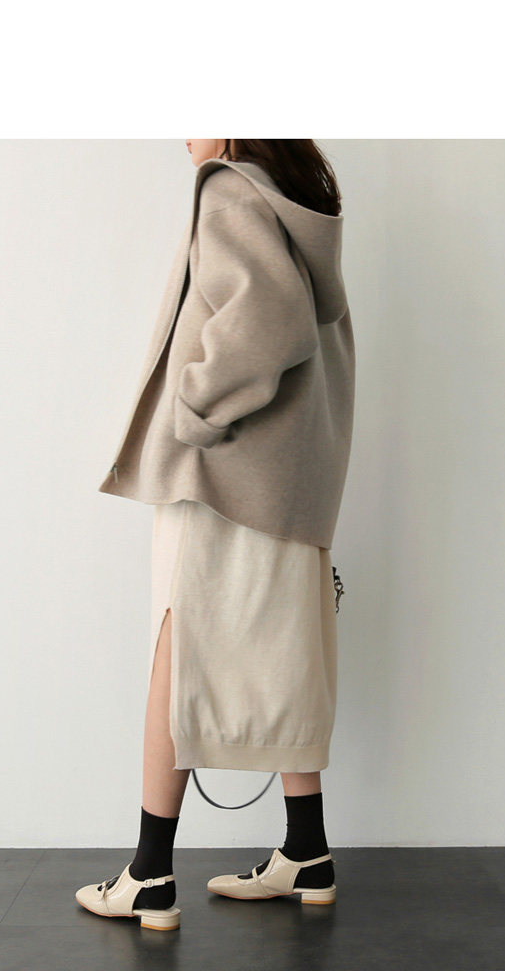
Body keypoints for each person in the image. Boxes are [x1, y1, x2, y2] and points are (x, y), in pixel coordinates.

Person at [76, 139, 356, 930]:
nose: (183, 133)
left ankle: (149, 874)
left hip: (223, 478)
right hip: (288, 485)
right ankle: (307, 852)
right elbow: (291, 317)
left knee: (177, 648)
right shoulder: (298, 207)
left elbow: (269, 320)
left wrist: (195, 409)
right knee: (291, 656)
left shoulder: (230, 190)